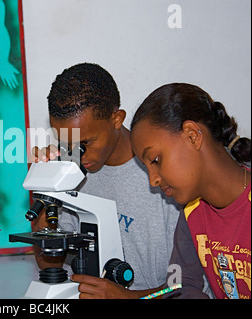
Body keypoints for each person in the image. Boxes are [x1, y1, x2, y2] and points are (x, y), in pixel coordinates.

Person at [31, 63, 181, 298]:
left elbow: (187, 287)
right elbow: (49, 266)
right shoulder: (70, 172)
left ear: (116, 119)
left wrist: (128, 297)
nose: (76, 154)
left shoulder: (162, 176)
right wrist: (44, 189)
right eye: (66, 143)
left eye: (85, 144)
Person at [130, 83, 251, 299]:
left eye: (155, 160)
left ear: (192, 135)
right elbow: (180, 287)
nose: (153, 180)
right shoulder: (192, 213)